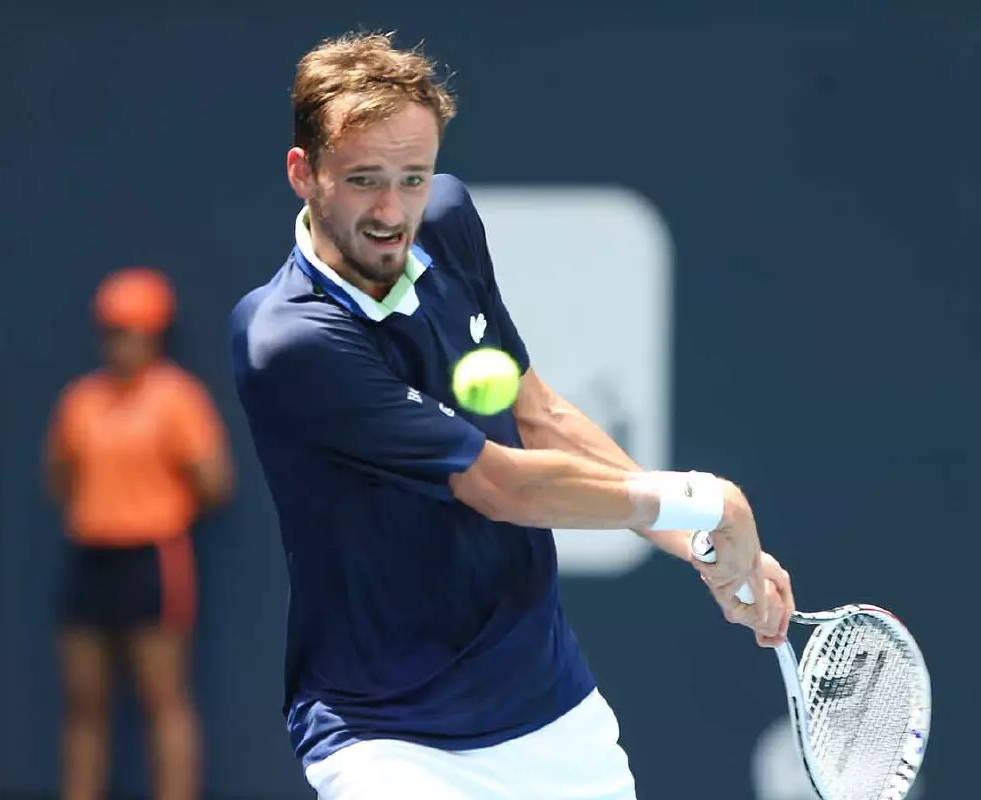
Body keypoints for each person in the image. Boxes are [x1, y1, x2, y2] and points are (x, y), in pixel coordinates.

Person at [229, 32, 795, 800]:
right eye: (363, 179)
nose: (392, 211)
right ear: (304, 173)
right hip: (387, 740)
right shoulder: (288, 338)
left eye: (413, 177)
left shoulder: (449, 221)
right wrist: (709, 501)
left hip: (550, 712)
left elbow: (538, 413)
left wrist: (698, 543)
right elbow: (500, 485)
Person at [45, 266, 234, 800]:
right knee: (84, 702)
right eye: (113, 330)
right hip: (89, 556)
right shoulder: (80, 399)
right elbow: (57, 477)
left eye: (133, 330)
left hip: (152, 558)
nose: (121, 342)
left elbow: (216, 483)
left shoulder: (178, 399)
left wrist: (158, 496)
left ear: (156, 335)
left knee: (163, 698)